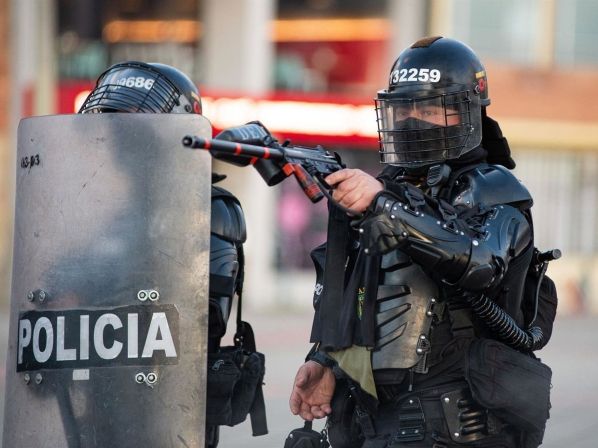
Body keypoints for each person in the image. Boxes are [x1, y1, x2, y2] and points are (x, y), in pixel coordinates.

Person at [289, 36, 556, 448]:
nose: (414, 121)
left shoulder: (495, 189)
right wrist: (326, 362)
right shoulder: (388, 188)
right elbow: (362, 294)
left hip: (461, 424)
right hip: (375, 421)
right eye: (404, 110)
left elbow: (482, 264)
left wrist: (383, 204)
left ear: (468, 113)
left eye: (429, 110)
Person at [80, 61, 249, 448]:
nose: (118, 137)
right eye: (113, 125)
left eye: (132, 125)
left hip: (168, 410)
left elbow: (204, 319)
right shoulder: (110, 213)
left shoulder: (208, 210)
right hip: (97, 402)